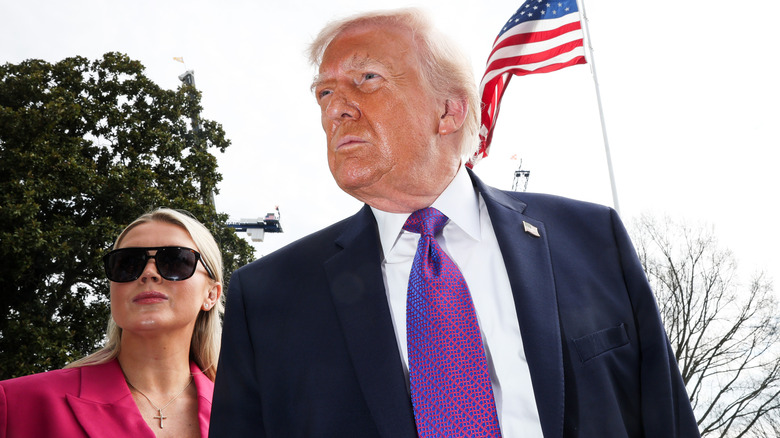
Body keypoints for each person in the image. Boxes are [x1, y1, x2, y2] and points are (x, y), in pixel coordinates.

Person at [210, 8, 699, 438]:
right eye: (324, 91)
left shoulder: (592, 239)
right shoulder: (268, 296)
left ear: (449, 109)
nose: (336, 107)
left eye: (367, 79)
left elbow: (666, 420)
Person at [0, 208, 223, 438]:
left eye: (175, 261)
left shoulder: (249, 415)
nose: (148, 273)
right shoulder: (18, 404)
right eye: (128, 263)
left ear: (211, 295)